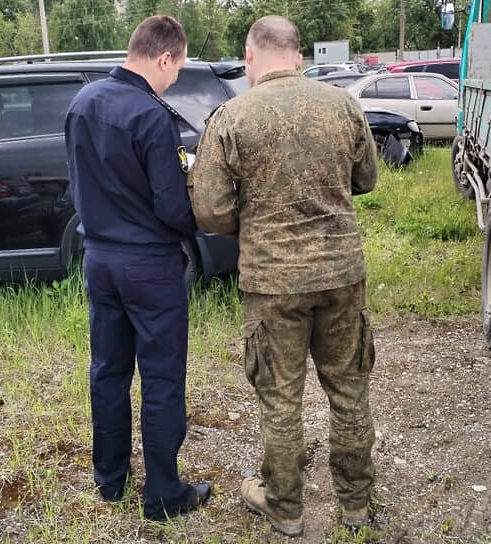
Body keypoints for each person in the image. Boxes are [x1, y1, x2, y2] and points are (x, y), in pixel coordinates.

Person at [187, 15, 379, 537]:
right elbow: (366, 179)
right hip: (342, 274)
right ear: (299, 55)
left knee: (280, 399)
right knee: (348, 390)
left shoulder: (230, 117)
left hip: (273, 283)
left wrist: (250, 219)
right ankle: (357, 505)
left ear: (250, 56)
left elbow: (208, 210)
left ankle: (286, 508)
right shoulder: (343, 106)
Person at [64, 15, 211, 521]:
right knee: (162, 377)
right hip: (149, 265)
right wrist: (201, 220)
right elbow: (172, 207)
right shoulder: (152, 116)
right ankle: (164, 493)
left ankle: (110, 479)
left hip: (99, 259)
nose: (176, 78)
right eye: (178, 68)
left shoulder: (82, 103)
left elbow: (77, 182)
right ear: (163, 57)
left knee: (107, 371)